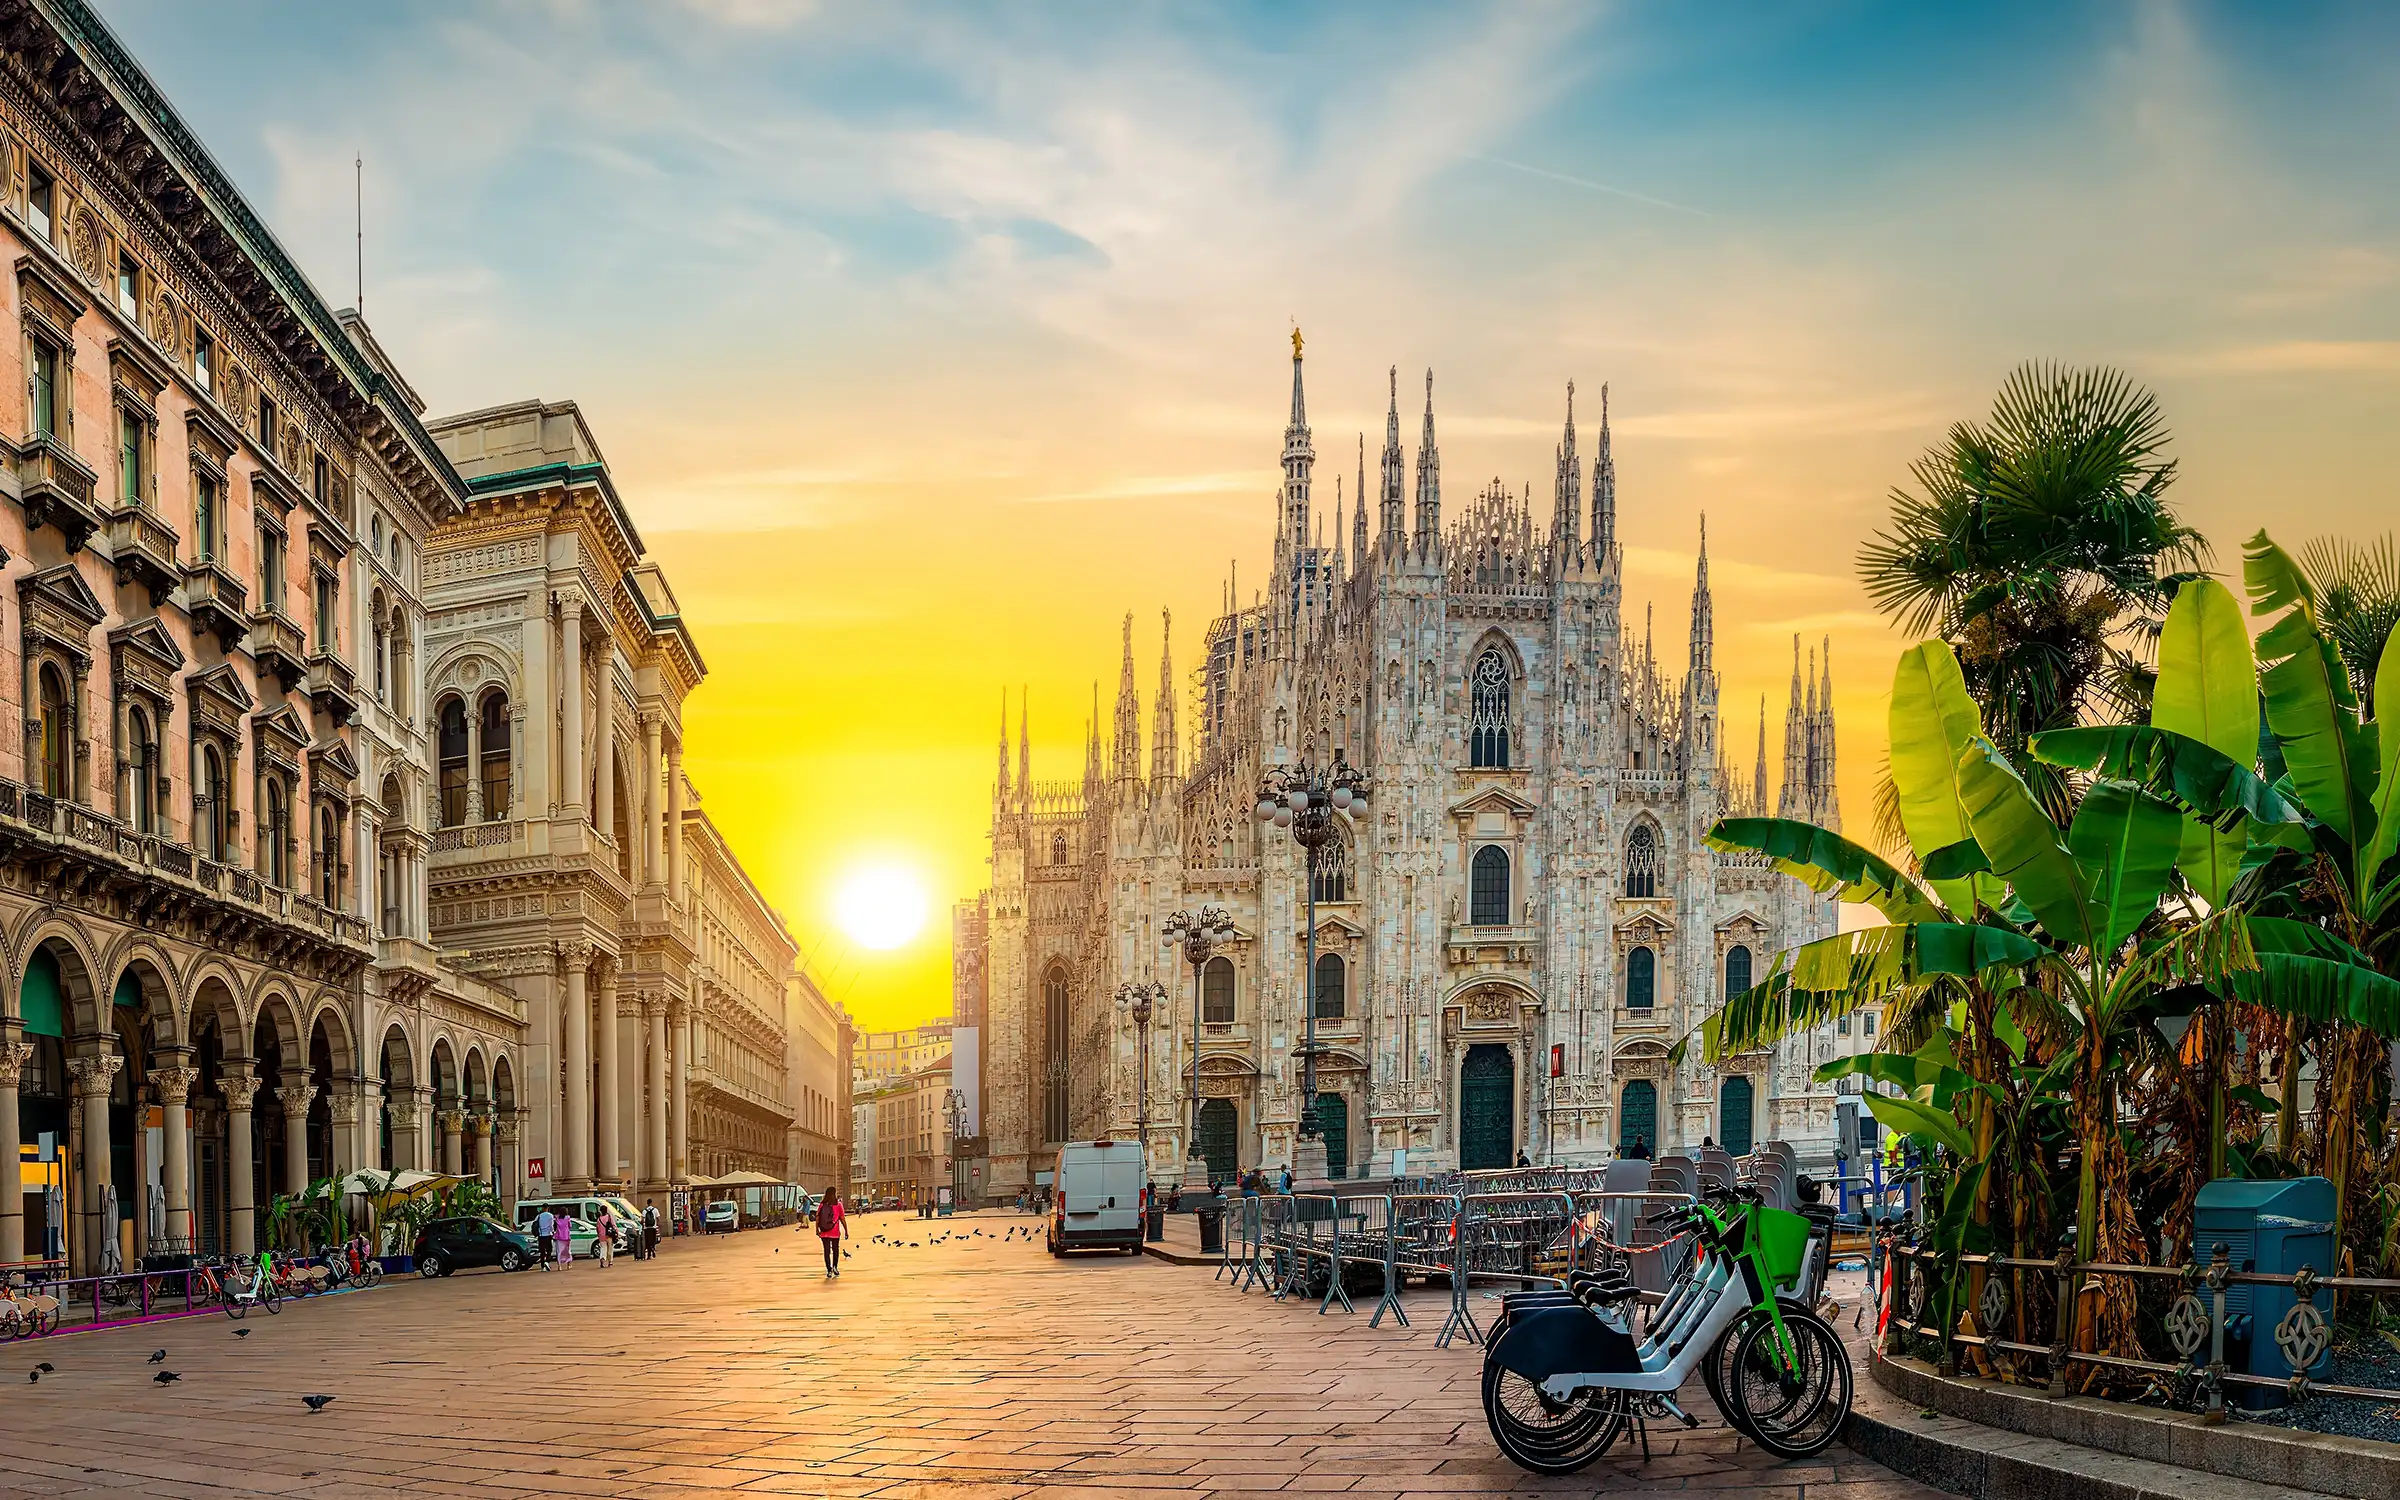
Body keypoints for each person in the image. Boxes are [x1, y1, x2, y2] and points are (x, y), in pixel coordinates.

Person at [815, 1188, 846, 1278]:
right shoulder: (838, 1205)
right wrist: (846, 1231)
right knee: (835, 1250)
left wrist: (817, 1230)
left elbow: (817, 1218)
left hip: (824, 1232)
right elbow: (842, 1219)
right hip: (835, 1233)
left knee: (826, 1251)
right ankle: (835, 1267)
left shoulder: (822, 1205)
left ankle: (829, 1269)